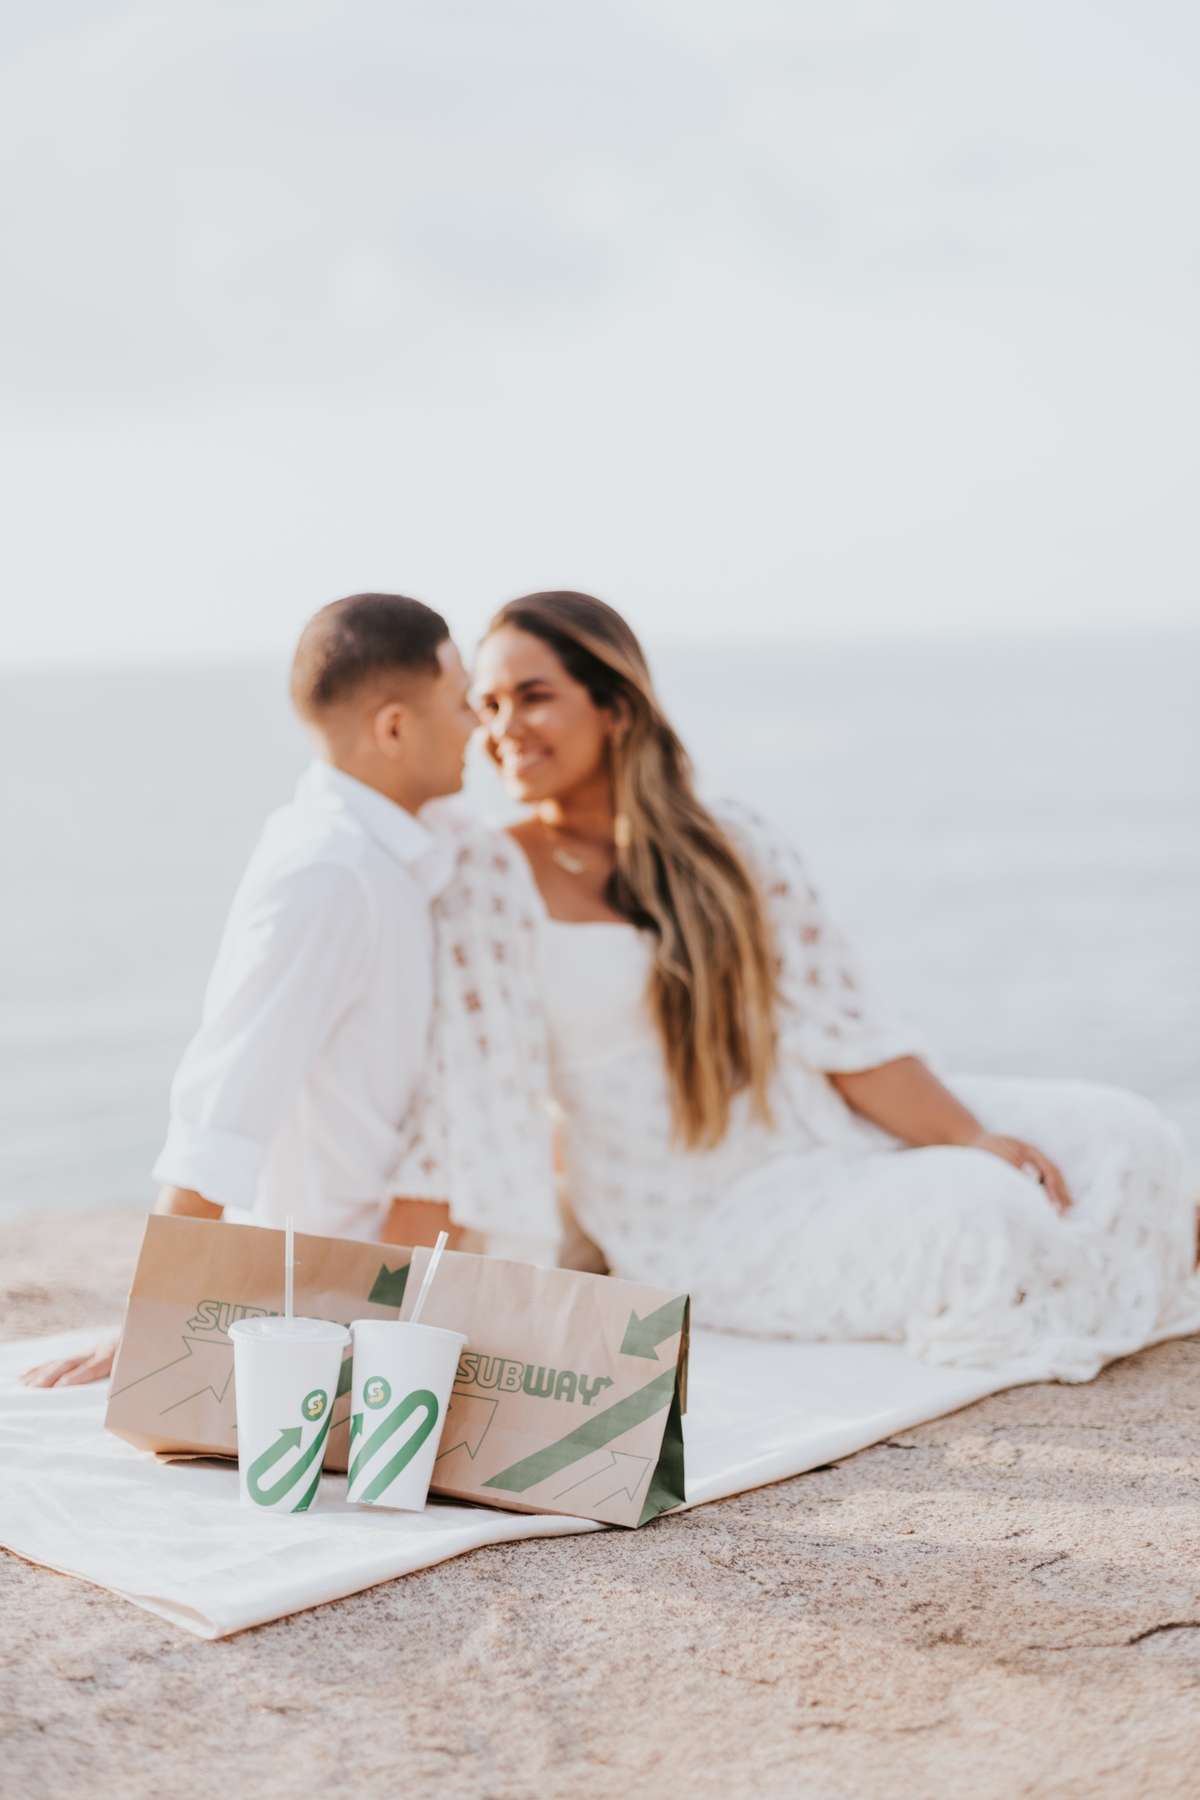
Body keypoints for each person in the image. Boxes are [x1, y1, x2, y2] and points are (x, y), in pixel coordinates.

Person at [401, 589, 1200, 1381]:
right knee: (982, 1216)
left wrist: (966, 1134)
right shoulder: (488, 876)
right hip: (693, 1219)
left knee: (1122, 1135)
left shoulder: (733, 842)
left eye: (533, 697)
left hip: (817, 1129)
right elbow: (479, 1105)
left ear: (616, 706)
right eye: (489, 705)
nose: (504, 729)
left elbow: (846, 1031)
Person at [22, 591, 479, 1388]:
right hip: (322, 1318)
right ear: (394, 729)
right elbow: (223, 1105)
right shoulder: (332, 872)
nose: (478, 724)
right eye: (462, 701)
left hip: (379, 1294)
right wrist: (153, 1318)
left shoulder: (397, 855)